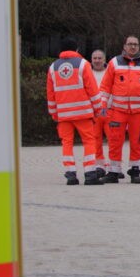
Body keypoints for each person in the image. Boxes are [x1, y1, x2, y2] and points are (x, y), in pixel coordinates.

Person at [98, 34, 140, 183]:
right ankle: (113, 172)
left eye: (135, 44)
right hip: (117, 110)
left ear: (139, 47)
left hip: (139, 112)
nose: (133, 46)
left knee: (137, 141)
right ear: (124, 46)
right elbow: (105, 87)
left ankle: (135, 171)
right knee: (115, 140)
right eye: (130, 44)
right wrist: (102, 104)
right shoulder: (114, 63)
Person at [47, 38, 105, 185]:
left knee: (67, 143)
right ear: (76, 49)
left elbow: (51, 94)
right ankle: (90, 174)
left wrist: (54, 113)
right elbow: (92, 89)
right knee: (89, 141)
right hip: (83, 113)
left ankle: (71, 175)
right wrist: (98, 108)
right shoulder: (83, 64)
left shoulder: (53, 67)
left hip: (63, 115)